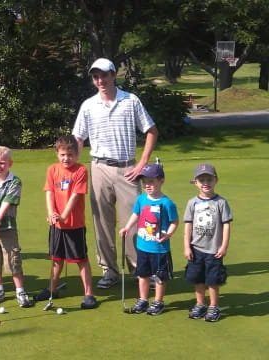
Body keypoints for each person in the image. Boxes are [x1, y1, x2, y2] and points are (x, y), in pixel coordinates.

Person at [72, 58, 158, 289]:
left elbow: (151, 130)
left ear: (113, 74)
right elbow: (78, 138)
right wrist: (72, 167)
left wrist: (142, 163)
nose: (100, 80)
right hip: (99, 167)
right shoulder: (88, 105)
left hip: (128, 168)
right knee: (102, 223)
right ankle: (109, 271)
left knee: (135, 221)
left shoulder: (131, 101)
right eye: (96, 76)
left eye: (104, 75)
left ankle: (139, 269)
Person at [34, 135, 97, 309]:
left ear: (77, 155)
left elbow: (76, 196)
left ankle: (89, 294)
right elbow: (49, 193)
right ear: (57, 154)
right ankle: (52, 289)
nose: (66, 158)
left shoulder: (81, 170)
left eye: (70, 155)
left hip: (74, 224)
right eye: (62, 154)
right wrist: (51, 213)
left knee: (80, 259)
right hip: (56, 224)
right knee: (56, 258)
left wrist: (63, 216)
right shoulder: (52, 170)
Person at [119, 163, 178, 315]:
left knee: (159, 277)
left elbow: (174, 221)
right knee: (143, 275)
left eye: (151, 181)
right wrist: (127, 227)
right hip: (143, 246)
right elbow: (136, 214)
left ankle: (158, 302)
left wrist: (168, 234)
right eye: (144, 182)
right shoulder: (141, 199)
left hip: (159, 248)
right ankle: (143, 300)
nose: (147, 185)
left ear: (161, 180)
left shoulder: (167, 203)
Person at [0, 146, 32, 308]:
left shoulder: (14, 181)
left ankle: (20, 291)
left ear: (10, 163)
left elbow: (6, 204)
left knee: (13, 260)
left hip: (8, 228)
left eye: (2, 163)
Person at [184, 164, 232, 322]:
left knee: (213, 280)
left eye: (209, 179)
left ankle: (213, 306)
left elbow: (226, 225)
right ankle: (200, 304)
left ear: (216, 180)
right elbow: (188, 225)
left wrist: (224, 245)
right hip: (196, 249)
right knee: (198, 279)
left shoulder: (221, 202)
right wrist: (186, 246)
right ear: (195, 182)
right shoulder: (192, 203)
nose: (206, 182)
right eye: (201, 179)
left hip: (214, 250)